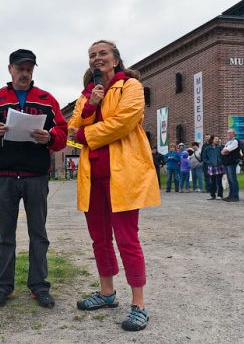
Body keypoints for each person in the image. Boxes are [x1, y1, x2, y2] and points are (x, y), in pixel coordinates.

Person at [68, 40, 160, 332]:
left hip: (122, 175)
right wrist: (91, 107)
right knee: (99, 239)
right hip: (92, 176)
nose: (97, 58)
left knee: (127, 239)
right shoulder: (86, 95)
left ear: (116, 59)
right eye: (92, 55)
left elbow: (124, 122)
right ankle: (107, 293)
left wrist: (86, 134)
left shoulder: (130, 87)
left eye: (102, 53)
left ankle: (139, 305)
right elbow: (72, 127)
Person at [0, 49, 68, 309]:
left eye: (29, 68)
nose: (25, 73)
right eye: (20, 68)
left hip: (36, 176)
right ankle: (3, 287)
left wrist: (50, 137)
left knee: (38, 233)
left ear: (33, 70)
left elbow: (62, 133)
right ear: (10, 70)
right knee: (5, 235)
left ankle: (39, 286)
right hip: (3, 177)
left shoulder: (47, 100)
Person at [221, 129, 242, 202]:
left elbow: (226, 150)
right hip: (227, 162)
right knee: (229, 180)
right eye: (228, 133)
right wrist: (225, 151)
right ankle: (230, 195)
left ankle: (235, 196)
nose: (228, 134)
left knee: (233, 179)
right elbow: (222, 151)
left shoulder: (235, 141)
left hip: (232, 162)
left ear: (234, 134)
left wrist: (225, 151)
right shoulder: (228, 142)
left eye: (230, 133)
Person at [203, 135, 224, 200]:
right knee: (213, 181)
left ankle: (220, 195)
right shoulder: (207, 148)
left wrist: (220, 162)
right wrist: (209, 162)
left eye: (218, 139)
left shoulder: (220, 148)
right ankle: (213, 195)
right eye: (216, 139)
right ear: (212, 140)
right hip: (211, 167)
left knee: (219, 181)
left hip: (219, 166)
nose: (217, 140)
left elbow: (223, 156)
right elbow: (204, 157)